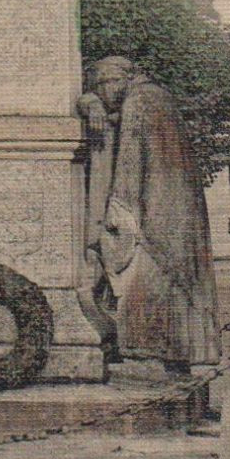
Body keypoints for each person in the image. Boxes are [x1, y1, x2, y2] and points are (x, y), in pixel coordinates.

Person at [78, 56, 219, 369]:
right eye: (98, 85)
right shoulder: (158, 97)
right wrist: (90, 103)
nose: (104, 91)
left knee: (148, 280)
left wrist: (116, 216)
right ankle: (184, 350)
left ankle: (150, 353)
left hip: (154, 214)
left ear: (123, 78)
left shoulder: (137, 104)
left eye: (106, 83)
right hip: (179, 210)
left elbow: (129, 166)